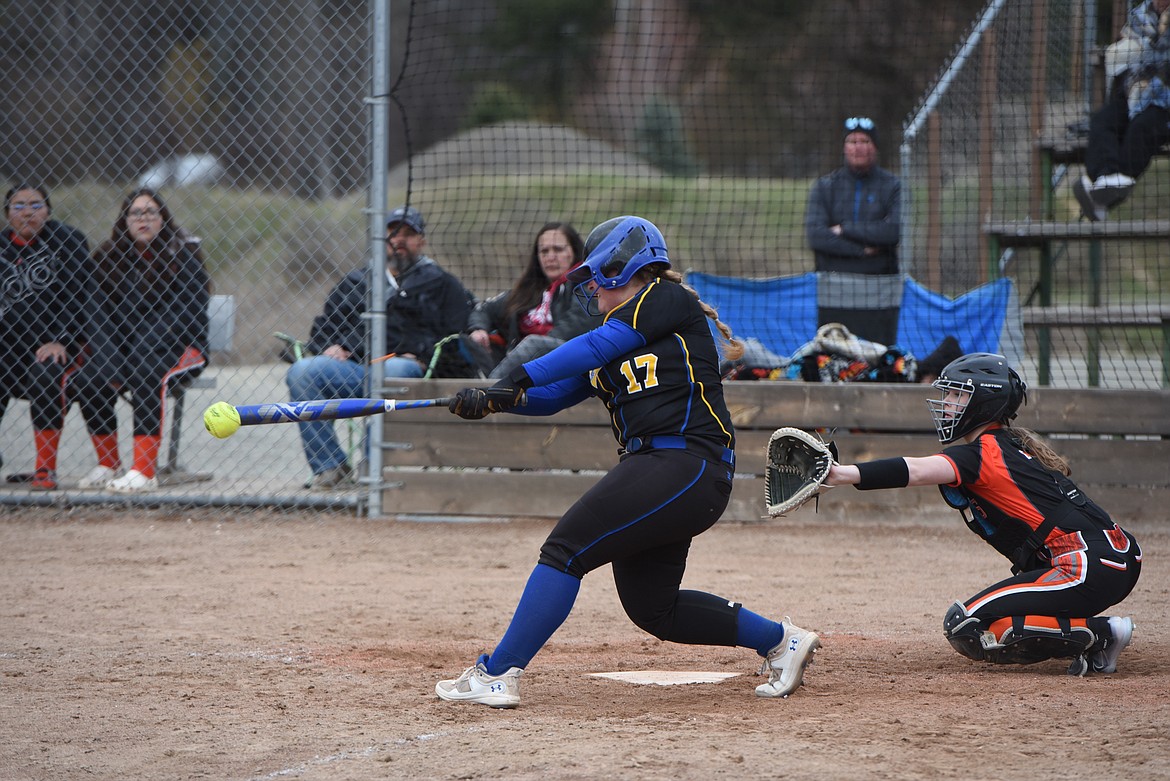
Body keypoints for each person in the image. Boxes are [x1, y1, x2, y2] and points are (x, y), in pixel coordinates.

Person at [434, 216, 820, 708]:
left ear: (625, 267)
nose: (590, 286)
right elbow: (553, 397)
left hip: (685, 463)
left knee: (564, 550)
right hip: (664, 475)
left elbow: (591, 348)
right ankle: (781, 641)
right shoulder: (613, 335)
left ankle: (497, 673)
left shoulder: (664, 299)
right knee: (654, 609)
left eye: (597, 274)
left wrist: (518, 374)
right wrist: (494, 400)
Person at [825, 352, 1141, 676]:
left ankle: (1105, 634)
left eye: (957, 394)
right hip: (1117, 560)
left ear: (984, 402)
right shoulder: (1012, 444)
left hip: (1084, 566)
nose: (947, 402)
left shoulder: (983, 453)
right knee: (1002, 624)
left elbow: (915, 470)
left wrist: (842, 474)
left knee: (964, 623)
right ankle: (1096, 641)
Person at [285, 205, 476, 490]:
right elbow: (323, 328)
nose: (399, 239)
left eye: (408, 234)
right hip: (356, 370)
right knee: (303, 371)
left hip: (408, 373)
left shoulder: (443, 284)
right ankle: (331, 467)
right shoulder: (356, 282)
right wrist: (331, 345)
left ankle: (373, 468)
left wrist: (423, 354)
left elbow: (455, 335)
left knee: (395, 368)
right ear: (381, 238)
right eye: (392, 232)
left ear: (421, 241)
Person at [64, 188, 210, 493]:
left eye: (151, 212)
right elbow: (97, 317)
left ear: (163, 218)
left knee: (147, 373)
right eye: (135, 213)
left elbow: (186, 313)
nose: (143, 218)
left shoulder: (183, 255)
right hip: (125, 352)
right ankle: (109, 464)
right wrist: (111, 360)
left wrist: (139, 350)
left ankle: (143, 472)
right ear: (125, 220)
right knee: (90, 378)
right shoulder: (107, 258)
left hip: (178, 348)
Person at [0, 184, 92, 490]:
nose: (27, 212)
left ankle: (45, 469)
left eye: (36, 205)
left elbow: (79, 297)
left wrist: (62, 339)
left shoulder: (67, 242)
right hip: (9, 348)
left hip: (56, 346)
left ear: (48, 211)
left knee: (45, 371)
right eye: (19, 206)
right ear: (7, 214)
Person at [805, 116, 902, 345]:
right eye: (853, 141)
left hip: (879, 294)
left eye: (865, 141)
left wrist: (844, 229)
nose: (858, 147)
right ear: (844, 147)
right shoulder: (825, 186)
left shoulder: (892, 185)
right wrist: (863, 251)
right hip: (834, 294)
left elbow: (892, 233)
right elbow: (817, 236)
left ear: (875, 147)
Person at [1073, 0, 1170, 221]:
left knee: (1142, 127)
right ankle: (1105, 176)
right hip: (1136, 91)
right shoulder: (1141, 15)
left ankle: (1099, 199)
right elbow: (1130, 57)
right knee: (1103, 121)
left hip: (1165, 100)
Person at [466, 221, 593, 379]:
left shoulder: (587, 284)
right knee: (463, 343)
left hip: (565, 360)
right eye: (544, 251)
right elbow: (484, 309)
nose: (550, 257)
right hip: (521, 364)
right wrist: (478, 329)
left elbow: (577, 325)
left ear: (573, 251)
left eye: (558, 249)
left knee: (534, 345)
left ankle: (489, 393)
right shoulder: (528, 290)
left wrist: (532, 352)